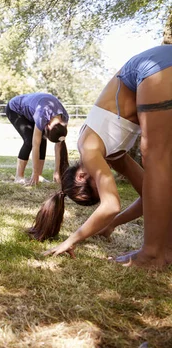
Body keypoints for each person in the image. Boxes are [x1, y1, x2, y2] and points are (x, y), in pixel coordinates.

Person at [31, 45, 172, 269]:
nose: (109, 181)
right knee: (161, 167)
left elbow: (111, 205)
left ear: (81, 176)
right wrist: (111, 225)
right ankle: (165, 248)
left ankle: (153, 254)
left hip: (153, 69)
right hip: (162, 67)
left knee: (154, 155)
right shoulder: (113, 154)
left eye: (99, 185)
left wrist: (72, 239)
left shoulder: (88, 147)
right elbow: (150, 194)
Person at [6, 93, 69, 185]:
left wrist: (57, 172)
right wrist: (34, 173)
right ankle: (19, 176)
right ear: (49, 126)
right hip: (15, 109)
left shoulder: (64, 119)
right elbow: (35, 145)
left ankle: (39, 176)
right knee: (30, 140)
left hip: (35, 110)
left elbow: (60, 144)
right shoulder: (42, 114)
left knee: (43, 139)